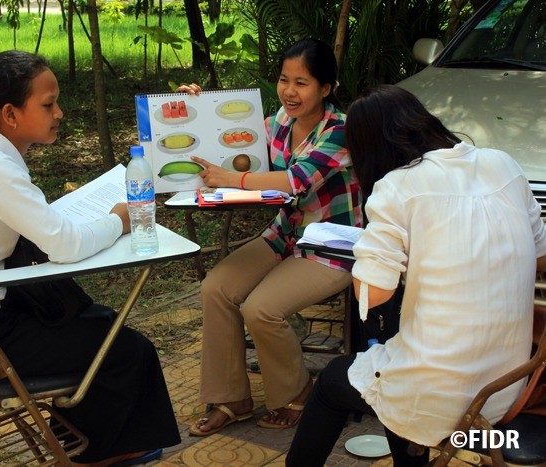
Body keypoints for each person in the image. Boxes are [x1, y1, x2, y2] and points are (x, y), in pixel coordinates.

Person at [0, 50, 180, 466]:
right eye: (48, 104)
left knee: (90, 319)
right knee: (123, 347)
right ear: (10, 114)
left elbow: (45, 235)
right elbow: (64, 246)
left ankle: (86, 437)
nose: (59, 113)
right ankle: (109, 452)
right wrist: (119, 221)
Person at [286, 84, 546, 466]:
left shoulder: (397, 187)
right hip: (507, 385)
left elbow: (371, 295)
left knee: (336, 381)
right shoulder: (502, 163)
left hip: (449, 398)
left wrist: (369, 250)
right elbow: (540, 257)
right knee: (391, 368)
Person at [179, 38, 362, 436]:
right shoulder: (280, 121)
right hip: (284, 236)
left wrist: (234, 180)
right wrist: (194, 110)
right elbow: (230, 142)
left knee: (261, 308)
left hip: (330, 246)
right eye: (284, 80)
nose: (289, 92)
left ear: (326, 88)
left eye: (302, 83)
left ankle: (298, 391)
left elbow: (296, 181)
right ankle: (232, 399)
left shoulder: (341, 130)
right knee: (216, 287)